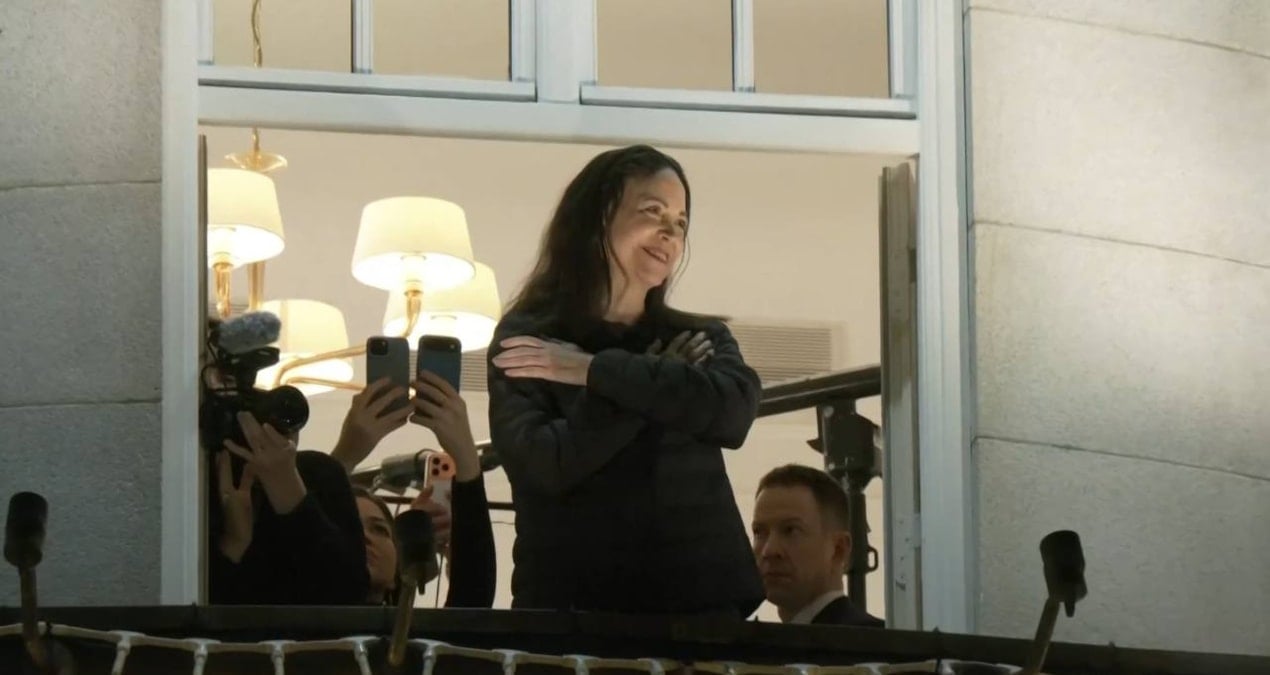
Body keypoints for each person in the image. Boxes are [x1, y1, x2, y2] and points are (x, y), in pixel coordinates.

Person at [487, 144, 764, 615]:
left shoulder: (699, 336)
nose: (670, 233)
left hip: (701, 611)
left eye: (680, 222)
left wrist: (591, 370)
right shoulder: (529, 339)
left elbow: (734, 412)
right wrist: (654, 381)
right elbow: (547, 464)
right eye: (653, 211)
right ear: (598, 215)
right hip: (574, 613)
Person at [335, 372, 496, 607]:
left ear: (396, 570)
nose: (364, 537)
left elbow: (473, 601)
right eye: (349, 527)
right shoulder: (296, 621)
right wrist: (345, 455)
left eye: (379, 529)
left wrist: (466, 456)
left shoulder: (412, 630)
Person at [750, 464, 883, 627]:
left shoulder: (873, 640)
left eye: (791, 530)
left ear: (838, 549)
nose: (769, 550)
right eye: (759, 532)